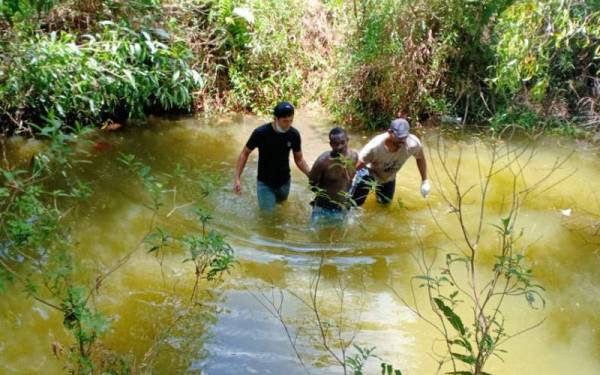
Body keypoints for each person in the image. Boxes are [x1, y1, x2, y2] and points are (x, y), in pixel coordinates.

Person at [233, 101, 310, 211]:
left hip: (284, 182)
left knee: (281, 213)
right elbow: (245, 153)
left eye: (291, 120)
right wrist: (237, 178)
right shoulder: (261, 133)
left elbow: (299, 160)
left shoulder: (294, 134)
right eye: (285, 121)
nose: (288, 124)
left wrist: (311, 175)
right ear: (275, 119)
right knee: (268, 219)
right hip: (265, 183)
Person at [351, 118, 430, 206]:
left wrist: (424, 181)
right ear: (390, 132)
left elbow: (420, 158)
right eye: (399, 137)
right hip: (368, 173)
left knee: (385, 205)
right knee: (355, 205)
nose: (402, 140)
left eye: (404, 137)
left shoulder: (413, 144)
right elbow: (356, 166)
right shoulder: (374, 147)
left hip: (388, 176)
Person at [309, 127, 358, 225]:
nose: (340, 146)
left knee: (340, 238)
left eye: (343, 142)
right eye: (336, 144)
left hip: (342, 207)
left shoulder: (354, 156)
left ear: (348, 141)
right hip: (322, 207)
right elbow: (312, 184)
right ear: (331, 144)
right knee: (314, 236)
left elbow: (350, 180)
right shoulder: (323, 161)